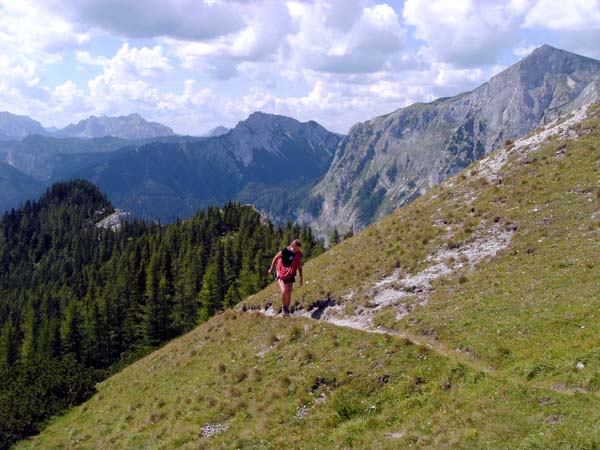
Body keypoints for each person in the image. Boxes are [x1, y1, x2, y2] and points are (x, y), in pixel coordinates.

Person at [268, 239, 303, 316]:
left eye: (298, 248)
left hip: (291, 273)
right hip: (281, 272)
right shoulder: (285, 251)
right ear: (292, 246)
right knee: (284, 291)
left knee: (289, 291)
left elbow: (299, 265)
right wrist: (271, 268)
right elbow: (275, 258)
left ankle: (287, 310)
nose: (297, 250)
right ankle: (284, 307)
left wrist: (301, 277)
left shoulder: (298, 254)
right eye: (296, 248)